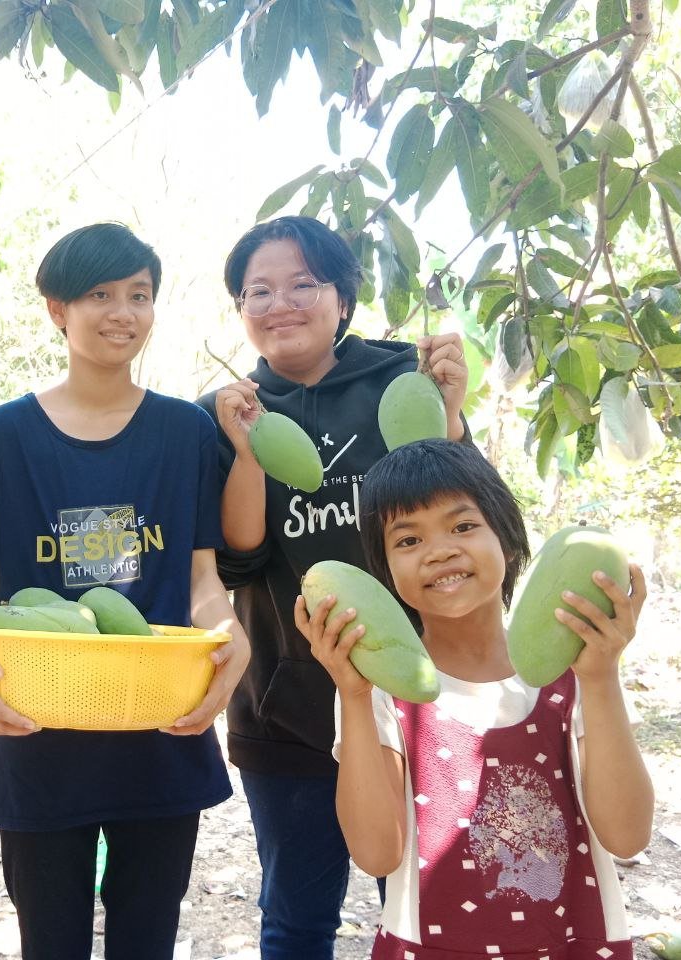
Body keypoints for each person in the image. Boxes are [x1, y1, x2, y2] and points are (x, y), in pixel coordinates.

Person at [0, 222, 252, 960]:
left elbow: (204, 583)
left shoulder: (183, 434)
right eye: (100, 294)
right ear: (56, 310)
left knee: (148, 942)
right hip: (37, 739)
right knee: (51, 943)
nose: (122, 312)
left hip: (164, 736)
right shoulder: (1, 438)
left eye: (139, 295)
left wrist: (232, 636)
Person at [195, 215, 470, 958]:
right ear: (241, 309)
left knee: (422, 906)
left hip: (411, 697)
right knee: (296, 916)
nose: (280, 304)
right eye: (259, 291)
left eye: (303, 285)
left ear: (342, 299)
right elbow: (238, 563)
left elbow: (460, 523)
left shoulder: (400, 379)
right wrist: (246, 452)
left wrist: (449, 413)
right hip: (287, 707)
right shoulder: (224, 412)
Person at [298, 438, 653, 960]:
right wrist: (352, 696)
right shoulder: (379, 690)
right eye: (408, 539)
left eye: (463, 526)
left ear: (508, 539)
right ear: (386, 573)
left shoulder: (578, 669)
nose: (440, 550)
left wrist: (600, 679)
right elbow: (376, 853)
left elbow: (627, 837)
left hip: (577, 943)